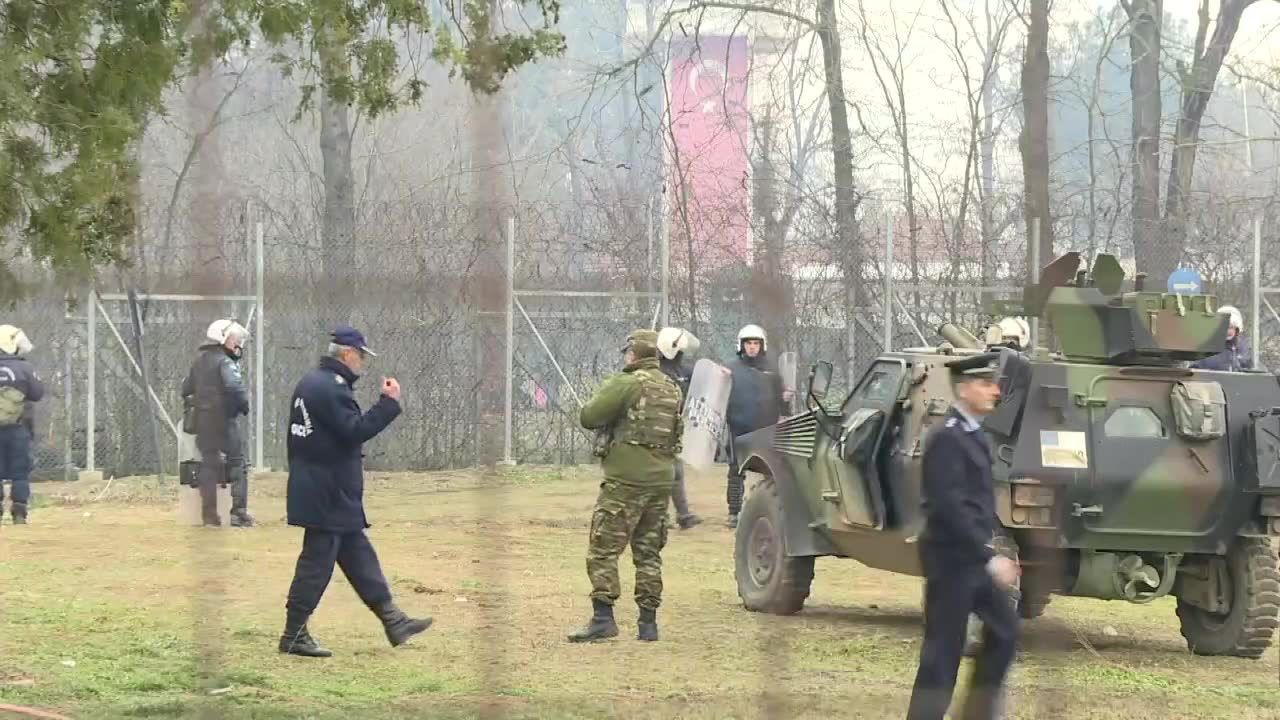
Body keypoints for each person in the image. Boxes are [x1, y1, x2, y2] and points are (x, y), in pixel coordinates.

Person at [278, 325, 431, 658]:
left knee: (359, 557)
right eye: (361, 356)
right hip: (327, 492)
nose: (362, 363)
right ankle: (293, 634)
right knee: (316, 564)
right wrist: (388, 404)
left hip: (323, 488)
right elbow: (355, 430)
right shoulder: (332, 388)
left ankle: (394, 620)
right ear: (348, 353)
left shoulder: (312, 382)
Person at [907, 354, 1020, 720]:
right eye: (987, 383)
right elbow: (948, 505)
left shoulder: (974, 435)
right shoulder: (946, 438)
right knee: (943, 652)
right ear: (965, 388)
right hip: (950, 559)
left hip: (972, 556)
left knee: (1004, 630)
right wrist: (989, 556)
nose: (995, 390)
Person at [568, 329, 683, 643]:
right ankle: (648, 625)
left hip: (625, 482)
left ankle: (603, 618)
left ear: (634, 354)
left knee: (603, 549)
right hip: (662, 481)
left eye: (627, 352)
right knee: (648, 553)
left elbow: (590, 416)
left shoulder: (626, 383)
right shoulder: (672, 389)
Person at [181, 319, 253, 527]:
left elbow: (186, 389)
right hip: (224, 420)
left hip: (204, 422)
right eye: (234, 339)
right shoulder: (225, 362)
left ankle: (209, 514)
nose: (238, 343)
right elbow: (234, 387)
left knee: (209, 465)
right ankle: (239, 513)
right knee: (237, 463)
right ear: (222, 338)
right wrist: (243, 405)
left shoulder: (199, 361)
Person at [722, 324, 789, 528]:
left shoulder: (772, 370)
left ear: (762, 345)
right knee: (736, 470)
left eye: (755, 343)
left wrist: (786, 410)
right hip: (738, 428)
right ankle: (734, 512)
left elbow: (781, 399)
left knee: (772, 469)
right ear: (741, 345)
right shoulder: (730, 369)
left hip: (765, 429)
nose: (752, 347)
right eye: (748, 343)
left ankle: (773, 508)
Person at [656, 326, 702, 530]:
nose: (682, 354)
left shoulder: (679, 369)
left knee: (676, 472)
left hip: (675, 427)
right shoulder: (658, 371)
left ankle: (683, 514)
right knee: (663, 473)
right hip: (659, 427)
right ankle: (660, 516)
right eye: (680, 350)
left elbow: (697, 375)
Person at [0, 325, 44, 525]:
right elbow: (37, 394)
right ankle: (19, 511)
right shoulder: (24, 367)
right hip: (18, 428)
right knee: (20, 471)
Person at [1191, 305, 1252, 371]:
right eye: (1224, 327)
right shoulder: (1207, 349)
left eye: (1231, 327)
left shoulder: (1242, 349)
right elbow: (1194, 371)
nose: (1227, 331)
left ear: (1237, 329)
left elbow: (1250, 371)